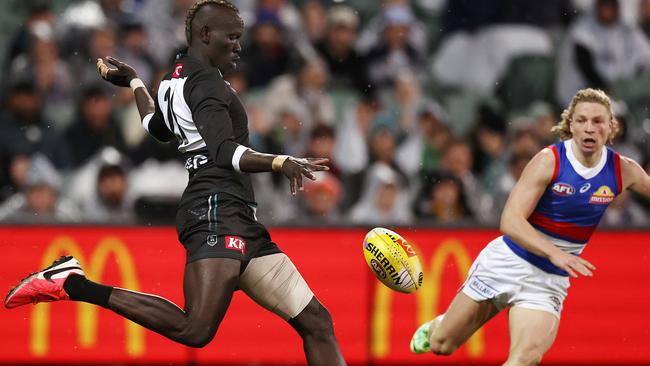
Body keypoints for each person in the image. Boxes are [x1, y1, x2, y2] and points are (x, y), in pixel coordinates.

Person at [4, 2, 345, 365]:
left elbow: (155, 127)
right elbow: (226, 152)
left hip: (236, 216)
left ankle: (72, 282)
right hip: (217, 208)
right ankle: (73, 283)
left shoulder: (172, 79)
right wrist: (281, 160)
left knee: (317, 322)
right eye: (231, 37)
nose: (238, 46)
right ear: (204, 34)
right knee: (194, 328)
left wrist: (135, 82)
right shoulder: (207, 83)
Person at [409, 88, 650, 365]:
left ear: (611, 127)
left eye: (598, 121)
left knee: (524, 359)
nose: (589, 128)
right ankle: (439, 326)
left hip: (546, 282)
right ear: (571, 125)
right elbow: (510, 221)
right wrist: (554, 252)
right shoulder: (549, 161)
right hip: (508, 261)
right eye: (582, 120)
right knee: (442, 346)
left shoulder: (623, 169)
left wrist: (555, 259)